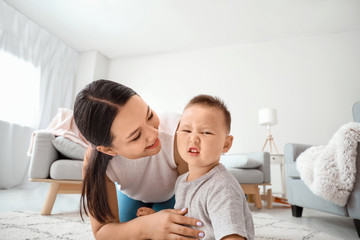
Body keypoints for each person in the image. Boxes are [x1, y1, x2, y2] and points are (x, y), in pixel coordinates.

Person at [73, 79, 205, 239]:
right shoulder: (96, 161)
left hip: (174, 193)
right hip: (131, 195)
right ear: (108, 149)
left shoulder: (179, 134)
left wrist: (161, 221)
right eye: (135, 136)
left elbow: (198, 209)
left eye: (149, 115)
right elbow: (102, 232)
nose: (153, 134)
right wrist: (146, 227)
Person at [138, 95, 255, 240]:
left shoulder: (222, 187)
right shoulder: (182, 180)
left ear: (226, 144)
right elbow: (186, 220)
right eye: (186, 131)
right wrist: (157, 219)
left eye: (205, 132)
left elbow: (232, 236)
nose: (193, 138)